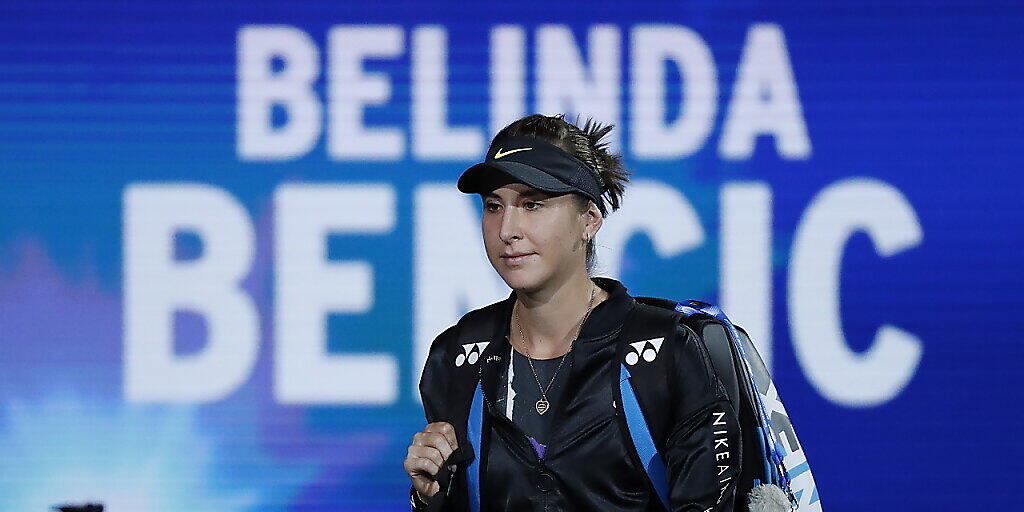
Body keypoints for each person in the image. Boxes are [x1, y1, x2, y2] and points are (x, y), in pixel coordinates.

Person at [403, 114, 742, 511]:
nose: (507, 229)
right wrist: (431, 498)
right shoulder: (455, 356)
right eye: (494, 206)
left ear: (589, 220)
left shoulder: (668, 350)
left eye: (532, 204)